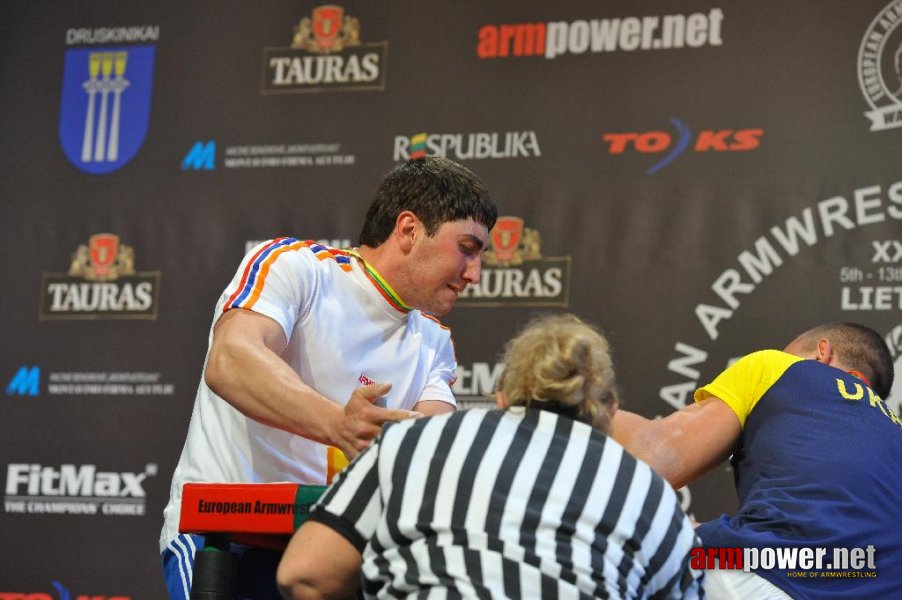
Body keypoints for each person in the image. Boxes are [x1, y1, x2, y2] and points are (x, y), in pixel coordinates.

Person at [159, 156, 498, 599]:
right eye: (467, 249)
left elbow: (430, 444)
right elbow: (230, 359)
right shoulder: (298, 268)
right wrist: (338, 424)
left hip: (333, 557)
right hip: (223, 539)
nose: (474, 274)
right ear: (409, 230)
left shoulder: (434, 341)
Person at [276, 314, 704, 599]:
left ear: (502, 397)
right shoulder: (650, 496)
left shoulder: (413, 442)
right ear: (611, 409)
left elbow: (306, 574)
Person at [612, 322, 901, 599]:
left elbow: (657, 457)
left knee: (621, 536)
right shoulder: (894, 432)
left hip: (769, 573)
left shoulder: (782, 369)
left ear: (822, 353)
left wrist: (578, 401)